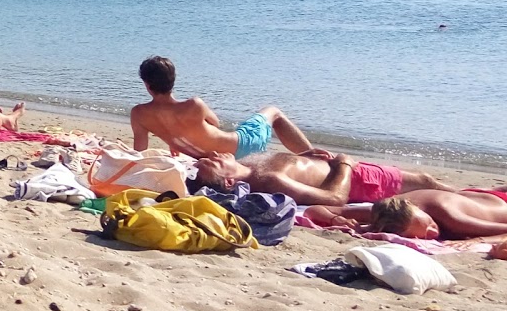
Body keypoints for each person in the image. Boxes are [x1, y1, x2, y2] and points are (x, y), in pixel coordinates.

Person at [131, 56, 313, 158]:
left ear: (147, 84)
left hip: (205, 157)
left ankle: (311, 155)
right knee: (274, 112)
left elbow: (139, 152)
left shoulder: (139, 114)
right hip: (240, 147)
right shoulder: (194, 105)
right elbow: (215, 124)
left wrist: (176, 140)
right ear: (173, 80)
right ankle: (311, 155)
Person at [192, 150, 452, 205]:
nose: (214, 155)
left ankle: (486, 195)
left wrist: (303, 157)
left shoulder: (246, 164)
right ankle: (487, 196)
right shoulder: (269, 180)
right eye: (212, 163)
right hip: (361, 179)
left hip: (339, 167)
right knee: (427, 182)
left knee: (428, 183)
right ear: (229, 182)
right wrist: (344, 165)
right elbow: (335, 197)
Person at [306, 189, 507, 241]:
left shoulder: (451, 218)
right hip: (471, 196)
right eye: (420, 236)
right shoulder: (387, 211)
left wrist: (477, 239)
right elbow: (314, 209)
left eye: (428, 224)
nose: (432, 233)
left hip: (498, 201)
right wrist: (336, 219)